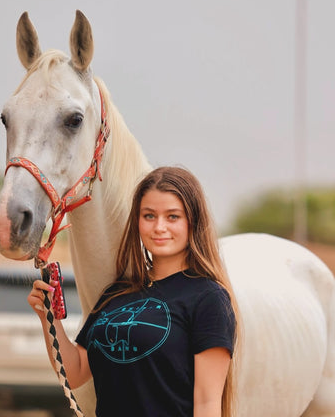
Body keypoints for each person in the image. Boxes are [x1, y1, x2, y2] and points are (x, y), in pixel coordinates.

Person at [28, 166, 239, 417]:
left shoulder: (208, 298)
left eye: (173, 217)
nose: (159, 227)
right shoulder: (117, 293)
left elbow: (207, 403)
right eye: (149, 216)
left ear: (193, 221)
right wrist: (48, 317)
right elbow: (75, 373)